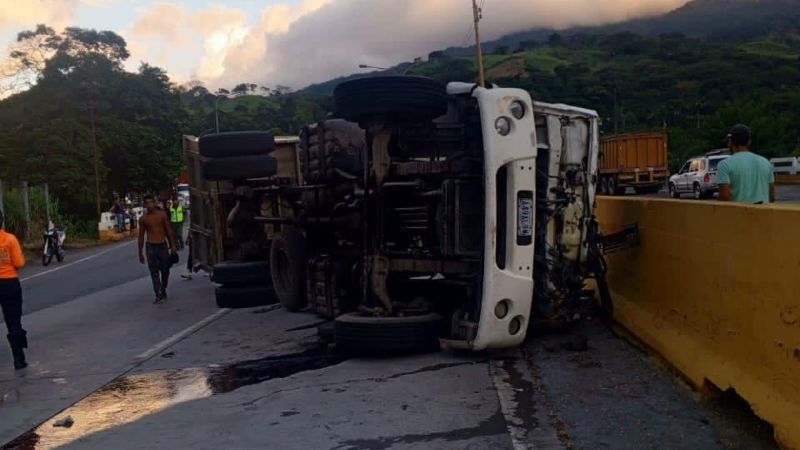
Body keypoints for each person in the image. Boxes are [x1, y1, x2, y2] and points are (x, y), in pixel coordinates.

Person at [717, 124, 776, 204]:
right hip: (763, 214)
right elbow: (772, 196)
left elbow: (724, 197)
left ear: (730, 142)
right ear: (749, 142)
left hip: (738, 215)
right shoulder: (766, 162)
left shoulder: (724, 165)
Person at [0, 210, 28, 369]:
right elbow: (19, 262)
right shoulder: (10, 239)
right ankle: (18, 359)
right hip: (9, 283)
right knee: (13, 321)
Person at [138, 195, 179, 303]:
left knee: (165, 270)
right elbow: (141, 236)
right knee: (154, 271)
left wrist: (173, 245)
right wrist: (140, 252)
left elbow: (168, 230)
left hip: (162, 245)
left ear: (154, 203)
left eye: (151, 202)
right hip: (150, 246)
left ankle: (163, 288)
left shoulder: (162, 215)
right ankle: (158, 293)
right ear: (144, 205)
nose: (149, 205)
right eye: (147, 203)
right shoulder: (143, 219)